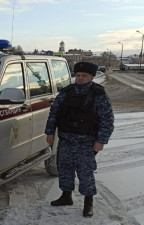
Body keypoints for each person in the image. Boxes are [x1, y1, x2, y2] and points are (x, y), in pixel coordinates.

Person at [45, 61, 114, 218]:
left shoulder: (99, 94)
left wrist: (101, 141)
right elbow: (54, 113)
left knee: (85, 173)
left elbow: (107, 120)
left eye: (84, 76)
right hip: (66, 139)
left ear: (91, 77)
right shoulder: (66, 92)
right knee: (65, 169)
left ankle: (88, 203)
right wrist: (50, 132)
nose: (80, 78)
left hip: (86, 142)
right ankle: (66, 196)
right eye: (78, 75)